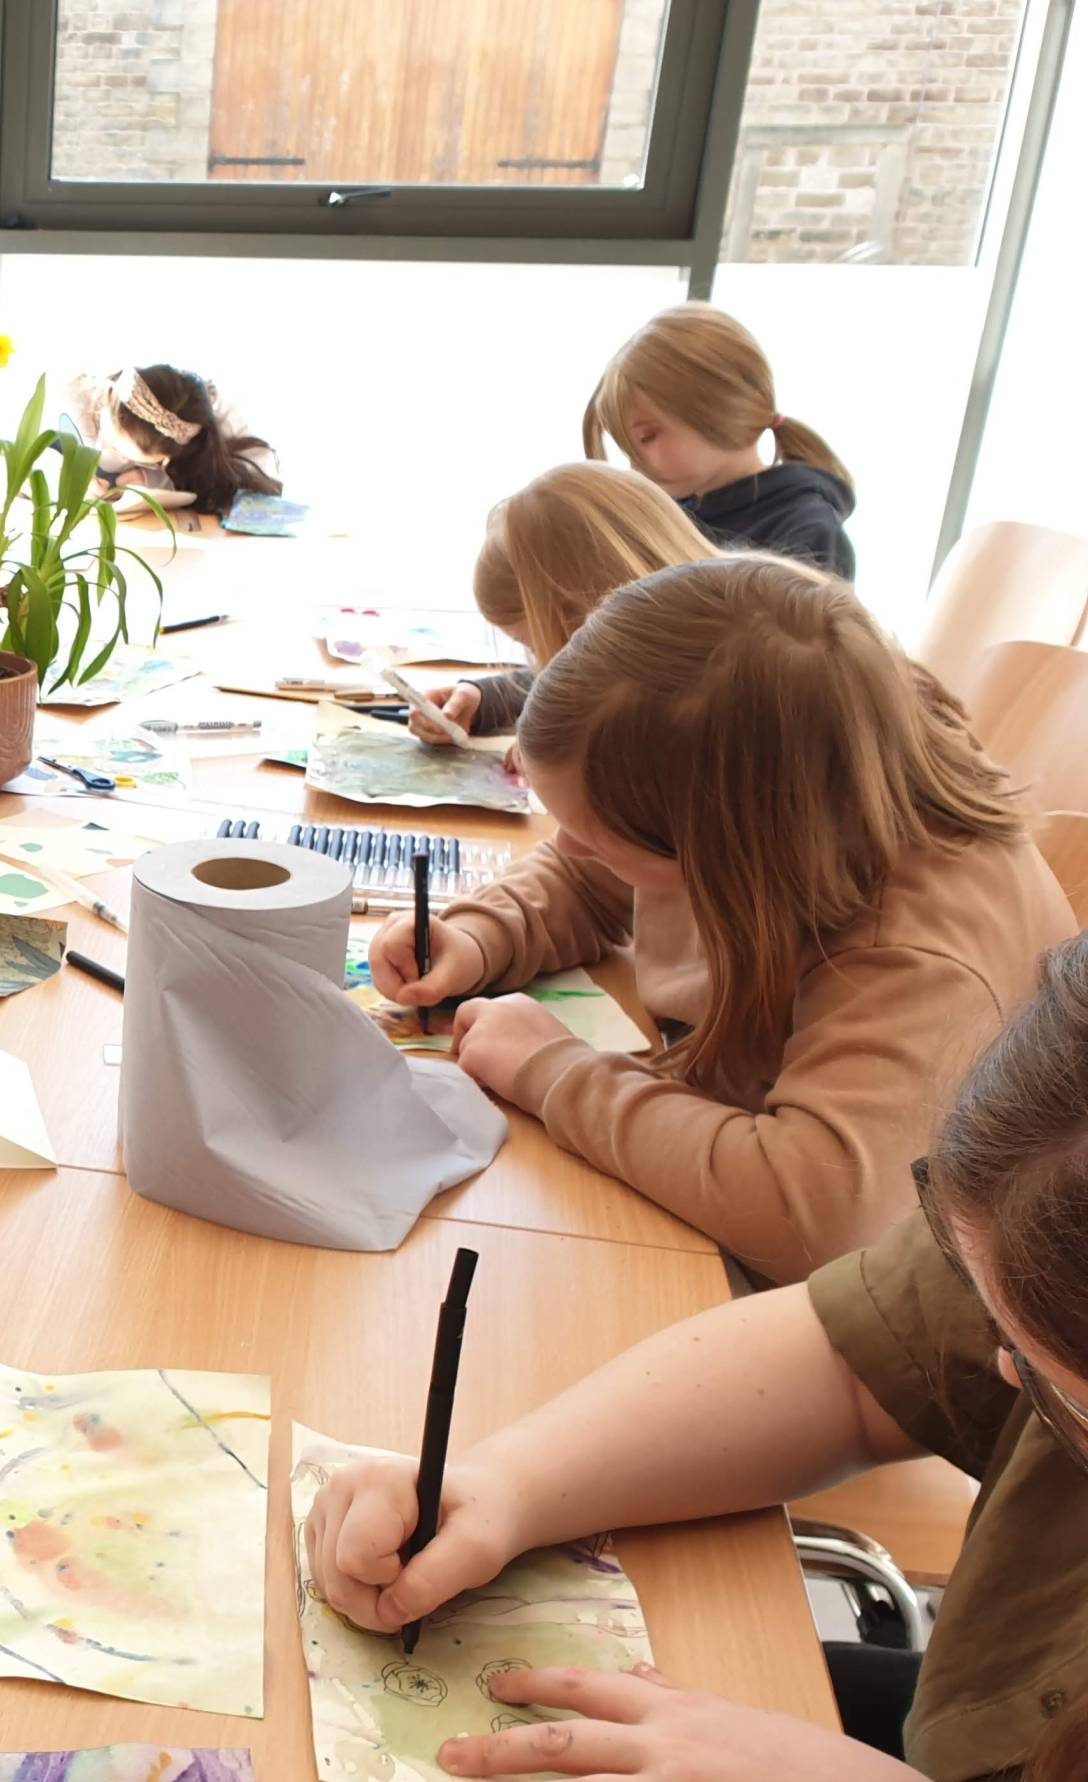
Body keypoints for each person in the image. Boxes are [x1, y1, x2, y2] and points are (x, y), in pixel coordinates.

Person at [303, 931, 1088, 1782]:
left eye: (1062, 1398)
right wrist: (509, 1483)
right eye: (994, 1323)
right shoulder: (1055, 1194)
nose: (1006, 1373)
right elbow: (849, 1362)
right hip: (969, 1740)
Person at [370, 554, 1070, 1286]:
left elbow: (811, 1218)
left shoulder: (916, 951)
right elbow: (600, 867)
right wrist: (484, 932)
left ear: (727, 845)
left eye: (595, 831)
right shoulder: (784, 786)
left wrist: (551, 1070)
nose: (568, 846)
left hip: (930, 1328)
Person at [411, 463, 716, 743]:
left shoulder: (712, 691)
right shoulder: (691, 632)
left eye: (536, 647)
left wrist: (550, 761)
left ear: (587, 614)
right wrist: (484, 698)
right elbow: (580, 678)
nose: (546, 664)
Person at [585, 302, 856, 579]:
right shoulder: (669, 518)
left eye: (647, 437)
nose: (635, 464)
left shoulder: (807, 533)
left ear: (716, 410)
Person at [60, 364, 279, 516]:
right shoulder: (73, 401)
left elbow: (259, 478)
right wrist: (69, 480)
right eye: (118, 449)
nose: (123, 460)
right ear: (108, 397)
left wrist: (150, 480)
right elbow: (32, 462)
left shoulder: (209, 423)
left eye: (153, 462)